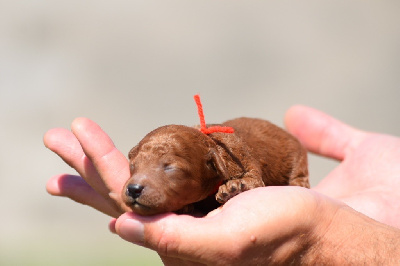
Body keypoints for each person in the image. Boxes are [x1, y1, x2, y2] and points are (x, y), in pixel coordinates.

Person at [45, 105, 400, 264]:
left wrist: (323, 238)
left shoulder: (231, 160)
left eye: (170, 169)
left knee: (293, 169)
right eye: (136, 166)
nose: (135, 182)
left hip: (281, 155)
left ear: (212, 168)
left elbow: (255, 179)